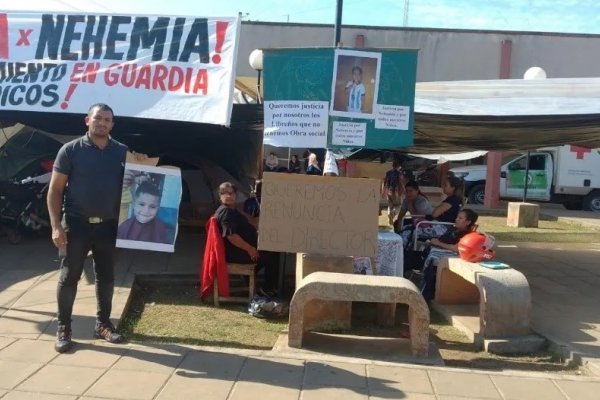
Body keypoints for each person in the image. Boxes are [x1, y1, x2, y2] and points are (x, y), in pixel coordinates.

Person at [47, 103, 146, 353]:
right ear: (87, 120)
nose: (102, 122)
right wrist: (56, 226)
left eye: (107, 119)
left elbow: (137, 182)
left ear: (113, 124)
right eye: (98, 118)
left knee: (107, 277)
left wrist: (142, 166)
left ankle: (103, 325)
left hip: (109, 226)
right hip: (76, 225)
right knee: (69, 276)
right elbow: (55, 190)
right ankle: (64, 328)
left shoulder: (122, 151)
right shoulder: (70, 151)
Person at [215, 181, 280, 297]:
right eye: (225, 193)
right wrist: (250, 249)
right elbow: (232, 236)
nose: (229, 196)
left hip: (240, 250)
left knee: (269, 250)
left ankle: (250, 278)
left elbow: (250, 221)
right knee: (272, 254)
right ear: (220, 196)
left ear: (236, 194)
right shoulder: (225, 212)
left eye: (231, 193)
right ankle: (268, 288)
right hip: (236, 252)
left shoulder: (232, 209)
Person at [420, 209, 479, 301]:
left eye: (460, 218)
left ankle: (424, 297)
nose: (456, 219)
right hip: (430, 252)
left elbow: (456, 248)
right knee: (406, 256)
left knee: (430, 269)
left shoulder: (467, 235)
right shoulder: (454, 229)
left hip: (441, 257)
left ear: (468, 222)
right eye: (457, 217)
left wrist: (438, 243)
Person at [382, 160, 405, 225]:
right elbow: (400, 182)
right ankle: (393, 213)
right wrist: (403, 190)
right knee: (399, 205)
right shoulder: (399, 173)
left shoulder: (388, 173)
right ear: (399, 166)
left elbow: (384, 182)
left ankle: (389, 213)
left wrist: (384, 191)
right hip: (396, 191)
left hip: (389, 191)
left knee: (390, 205)